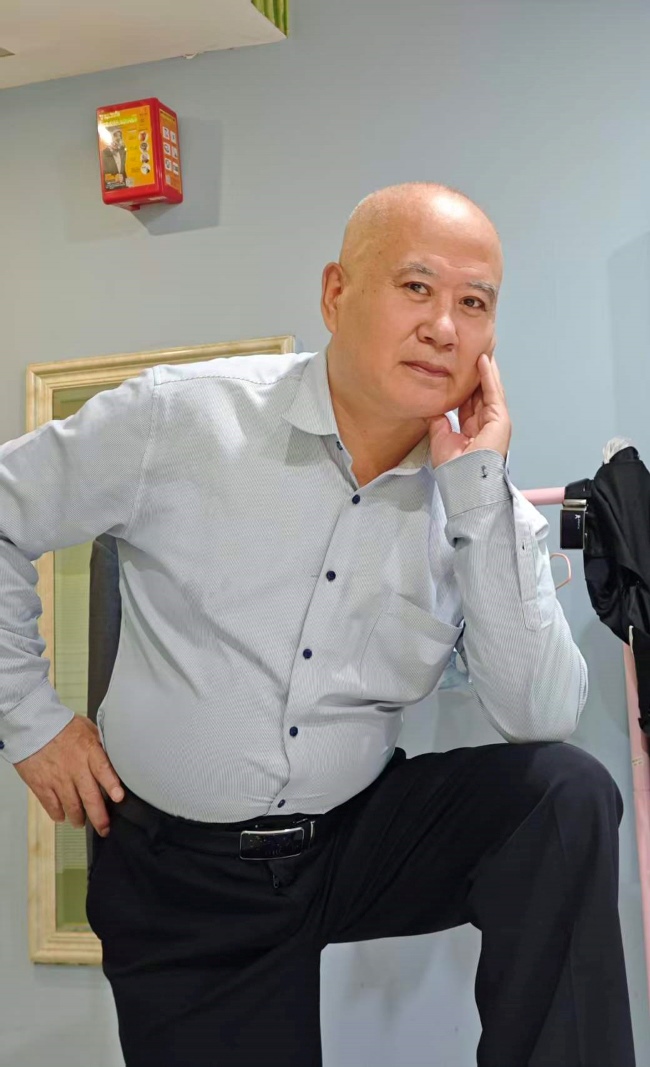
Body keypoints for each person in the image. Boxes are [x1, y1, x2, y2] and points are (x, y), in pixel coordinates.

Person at [0, 182, 635, 1067]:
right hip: (185, 875)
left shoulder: (479, 506)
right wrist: (29, 720)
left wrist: (478, 491)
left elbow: (541, 713)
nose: (443, 327)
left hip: (351, 834)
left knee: (561, 797)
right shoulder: (182, 417)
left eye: (474, 304)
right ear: (336, 294)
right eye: (417, 287)